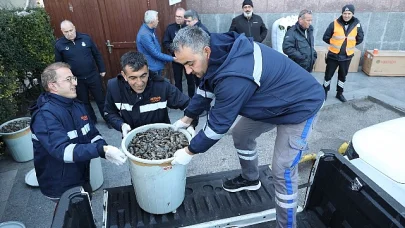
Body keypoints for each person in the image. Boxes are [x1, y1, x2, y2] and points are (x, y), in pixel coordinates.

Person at [170, 26, 324, 228]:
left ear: (206, 52)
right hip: (273, 100)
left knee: (282, 169)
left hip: (300, 106)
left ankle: (287, 225)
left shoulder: (234, 76)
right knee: (241, 133)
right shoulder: (216, 50)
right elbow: (205, 89)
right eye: (184, 65)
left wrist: (189, 151)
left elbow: (217, 126)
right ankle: (251, 178)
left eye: (190, 64)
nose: (188, 71)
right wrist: (187, 119)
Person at [30, 62, 127, 201]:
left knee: (86, 207)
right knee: (73, 218)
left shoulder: (76, 105)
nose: (75, 83)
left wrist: (104, 149)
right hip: (60, 183)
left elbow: (92, 134)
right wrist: (101, 150)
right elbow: (62, 150)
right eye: (68, 79)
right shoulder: (45, 115)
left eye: (73, 78)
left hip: (81, 175)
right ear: (52, 86)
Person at [104, 51, 196, 137]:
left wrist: (190, 124)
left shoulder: (162, 86)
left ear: (148, 71)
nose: (139, 83)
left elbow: (189, 105)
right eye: (133, 78)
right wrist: (121, 125)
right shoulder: (114, 87)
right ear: (124, 75)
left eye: (143, 76)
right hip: (132, 140)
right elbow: (109, 112)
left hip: (163, 139)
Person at [55, 20, 108, 125]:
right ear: (62, 31)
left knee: (101, 99)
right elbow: (59, 64)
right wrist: (65, 79)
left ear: (74, 27)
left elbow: (96, 54)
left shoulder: (86, 38)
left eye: (71, 30)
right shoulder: (59, 45)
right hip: (76, 79)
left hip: (92, 75)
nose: (69, 33)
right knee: (84, 102)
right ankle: (92, 120)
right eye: (66, 32)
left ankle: (108, 119)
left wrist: (102, 69)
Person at [322, 4, 364, 102]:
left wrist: (349, 44)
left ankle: (339, 93)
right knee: (328, 75)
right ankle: (324, 92)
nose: (346, 15)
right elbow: (325, 37)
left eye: (349, 13)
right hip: (333, 55)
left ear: (352, 14)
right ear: (342, 13)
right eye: (345, 13)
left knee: (342, 76)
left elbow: (360, 38)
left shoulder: (357, 25)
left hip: (346, 57)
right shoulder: (334, 23)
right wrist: (336, 44)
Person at [163, 8, 195, 98]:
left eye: (180, 17)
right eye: (176, 16)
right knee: (177, 80)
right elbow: (166, 42)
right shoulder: (170, 28)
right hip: (176, 59)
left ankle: (192, 97)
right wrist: (174, 51)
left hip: (188, 59)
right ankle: (179, 98)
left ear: (184, 18)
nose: (177, 18)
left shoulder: (189, 27)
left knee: (190, 80)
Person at [136, 10, 175, 78]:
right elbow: (155, 53)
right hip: (152, 68)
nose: (158, 21)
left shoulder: (150, 30)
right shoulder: (145, 35)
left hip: (155, 65)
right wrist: (172, 58)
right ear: (152, 21)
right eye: (157, 19)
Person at [183, 9, 210, 97]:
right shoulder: (193, 29)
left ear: (195, 19)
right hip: (195, 62)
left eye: (188, 21)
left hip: (200, 63)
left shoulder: (201, 30)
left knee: (201, 85)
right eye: (185, 21)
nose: (186, 24)